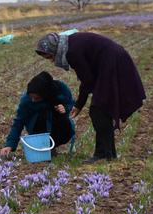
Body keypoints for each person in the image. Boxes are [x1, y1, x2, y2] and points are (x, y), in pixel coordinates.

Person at [35, 32, 145, 163]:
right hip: (110, 61)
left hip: (113, 63)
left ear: (54, 48)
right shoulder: (68, 45)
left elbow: (88, 80)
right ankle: (108, 153)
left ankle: (103, 154)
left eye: (50, 57)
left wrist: (79, 104)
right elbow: (88, 77)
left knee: (99, 108)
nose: (52, 61)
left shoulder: (72, 52)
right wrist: (80, 103)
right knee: (101, 108)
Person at [0, 71, 76, 159]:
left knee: (56, 116)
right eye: (32, 97)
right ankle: (44, 145)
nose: (33, 101)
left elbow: (73, 103)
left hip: (59, 124)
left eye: (37, 98)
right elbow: (19, 122)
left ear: (45, 93)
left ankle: (52, 145)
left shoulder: (61, 88)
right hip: (38, 125)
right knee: (42, 115)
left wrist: (65, 108)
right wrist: (10, 145)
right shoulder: (26, 99)